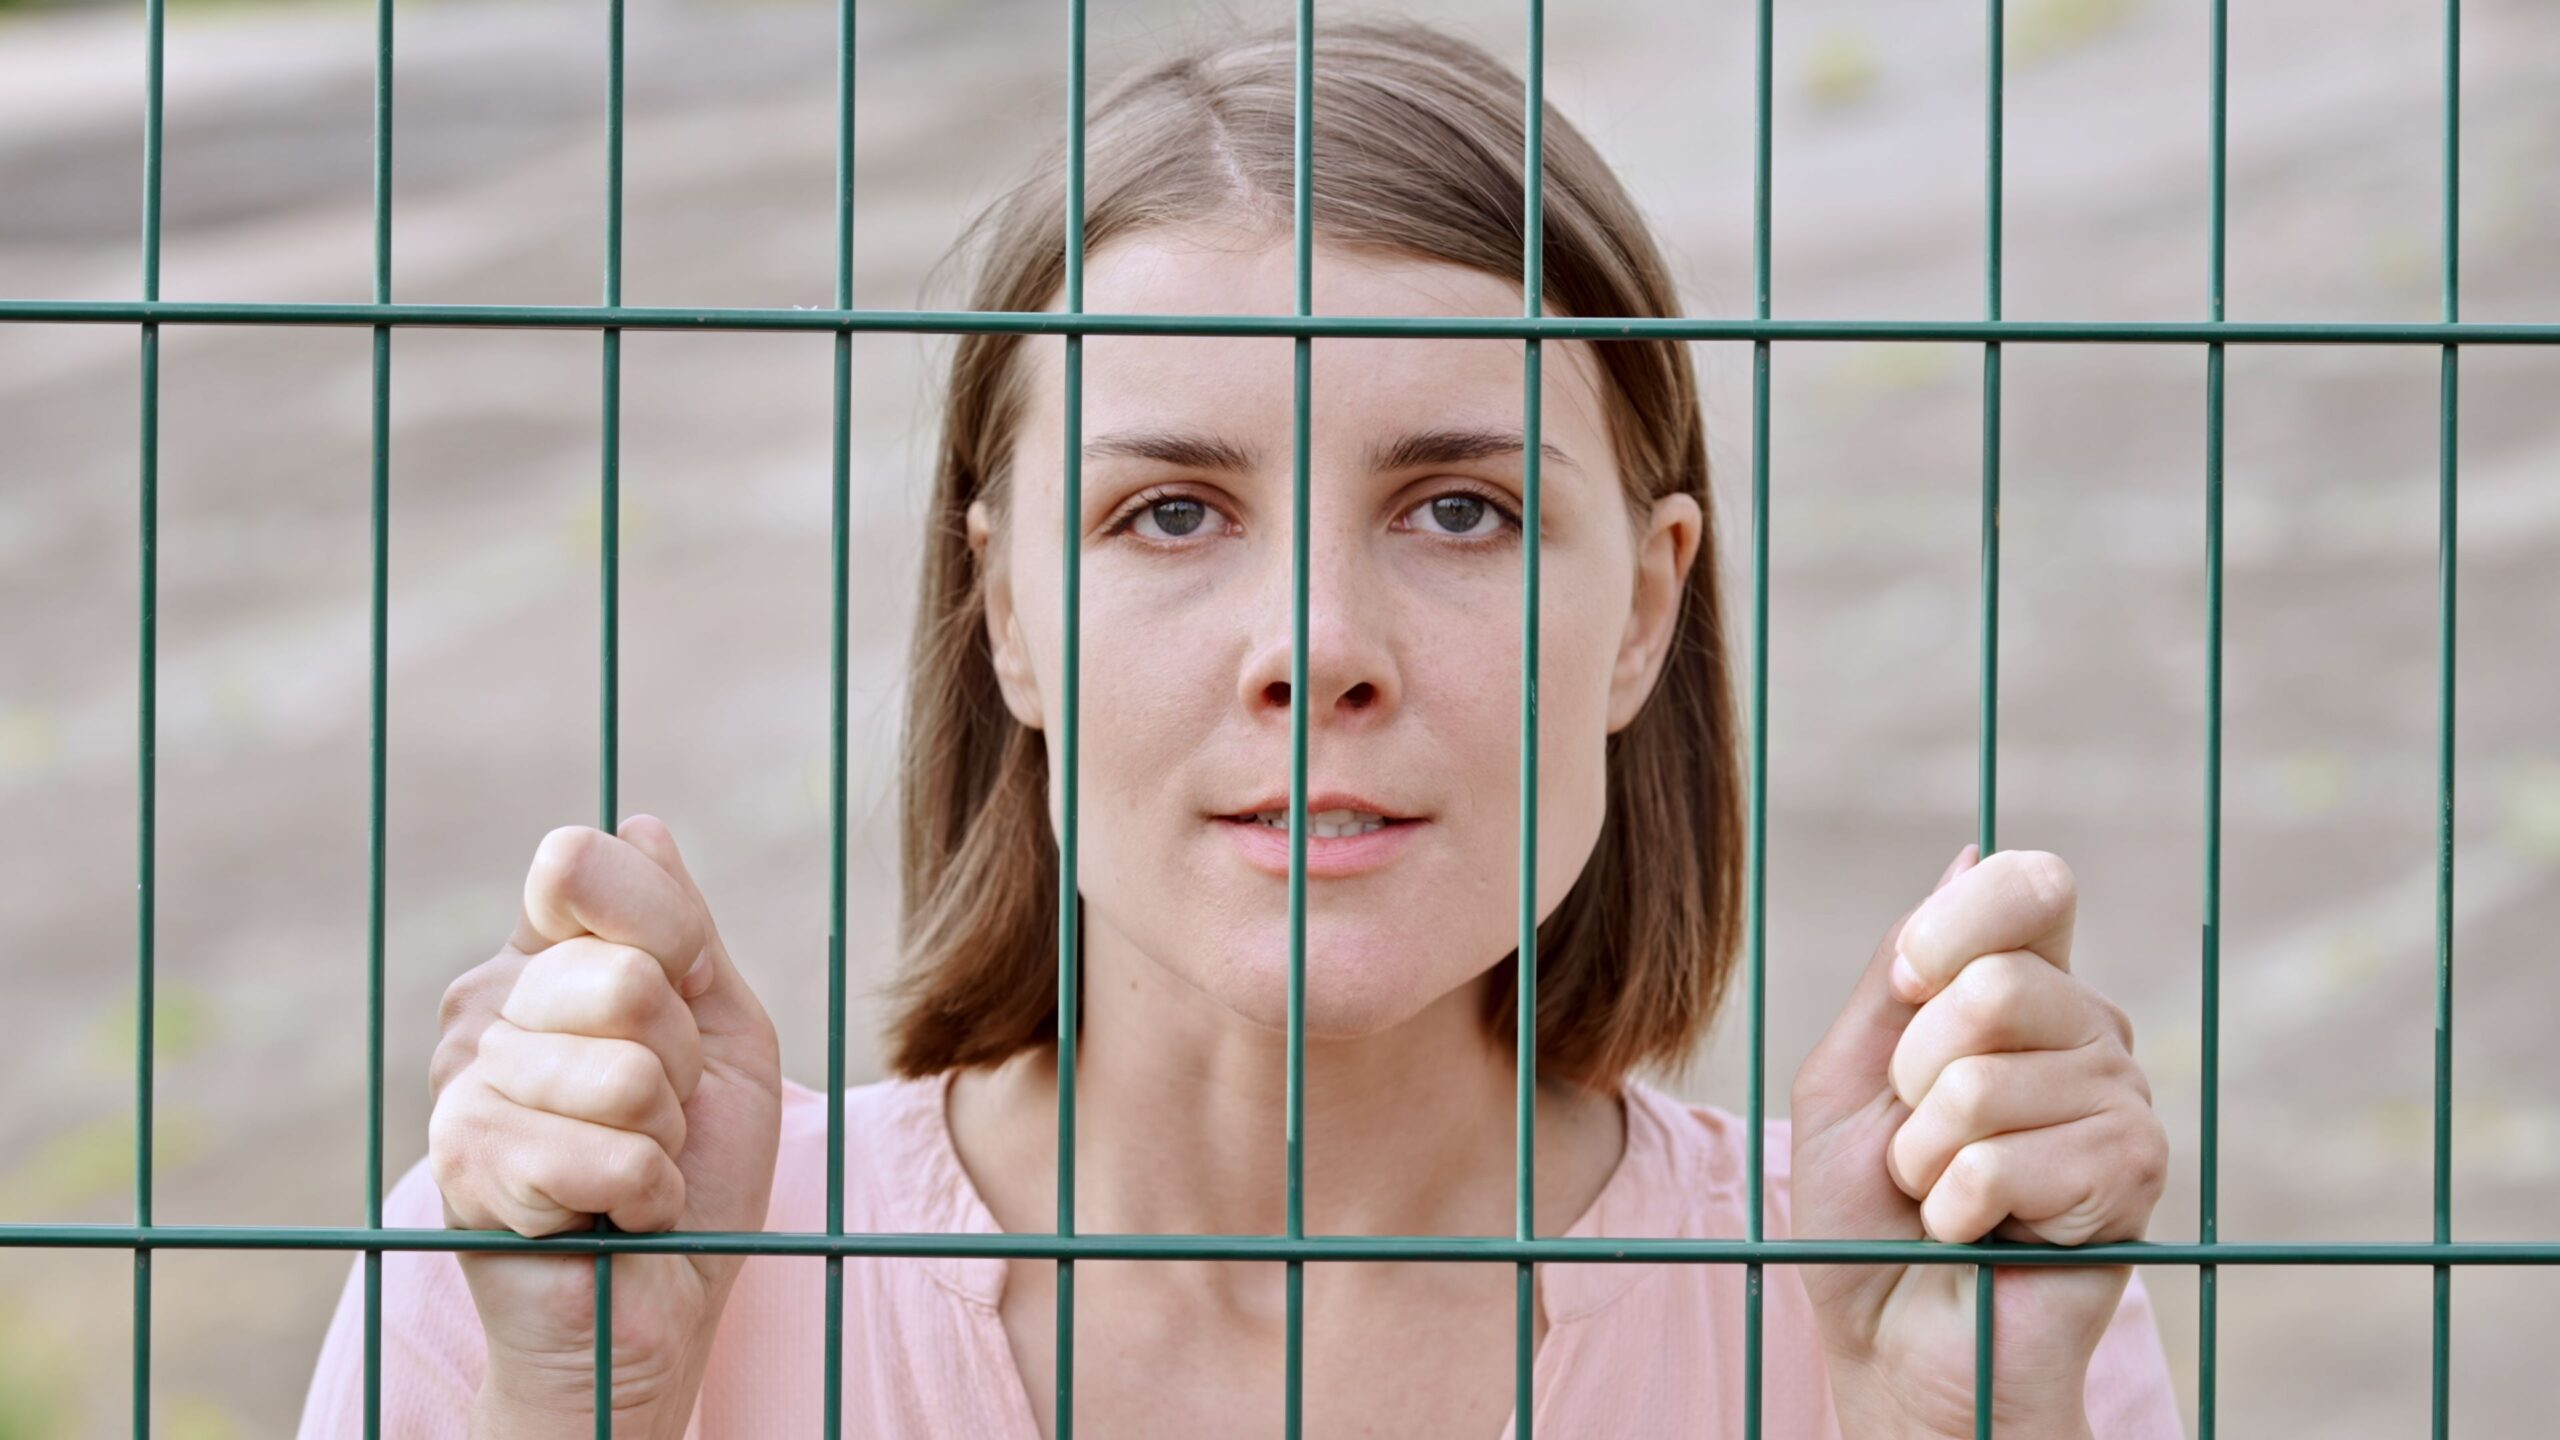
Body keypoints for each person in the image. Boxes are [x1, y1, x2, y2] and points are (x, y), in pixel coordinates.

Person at [299, 18, 2181, 1438]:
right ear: (1008, 611)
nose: (1320, 649)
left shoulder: (1940, 1284)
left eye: (1464, 507)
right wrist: (569, 1406)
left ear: (1645, 607)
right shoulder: (567, 1251)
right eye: (1169, 514)